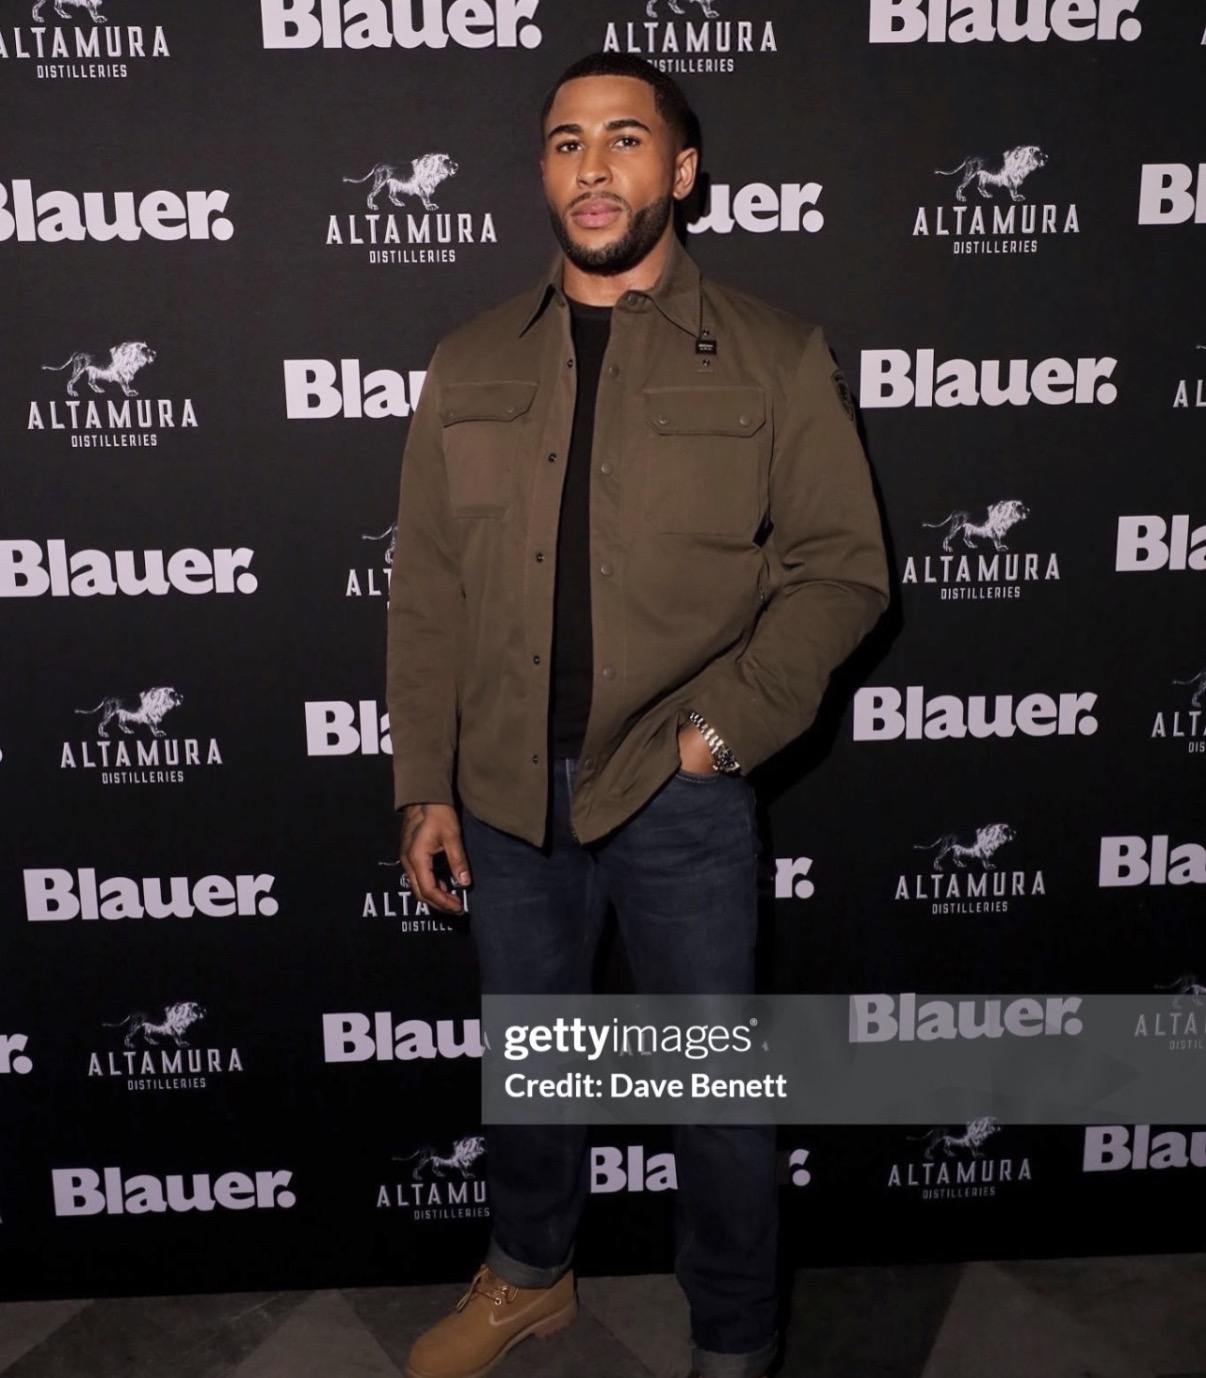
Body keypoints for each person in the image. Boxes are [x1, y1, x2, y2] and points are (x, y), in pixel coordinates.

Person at [386, 51, 889, 1378]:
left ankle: (733, 1339)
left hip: (678, 792)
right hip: (500, 793)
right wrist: (422, 780)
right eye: (563, 142)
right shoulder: (467, 357)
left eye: (622, 139)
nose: (590, 166)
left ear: (681, 171)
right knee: (536, 1071)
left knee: (712, 1101)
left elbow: (841, 570)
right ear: (541, 172)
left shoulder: (775, 354)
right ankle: (528, 1278)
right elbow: (427, 586)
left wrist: (713, 739)